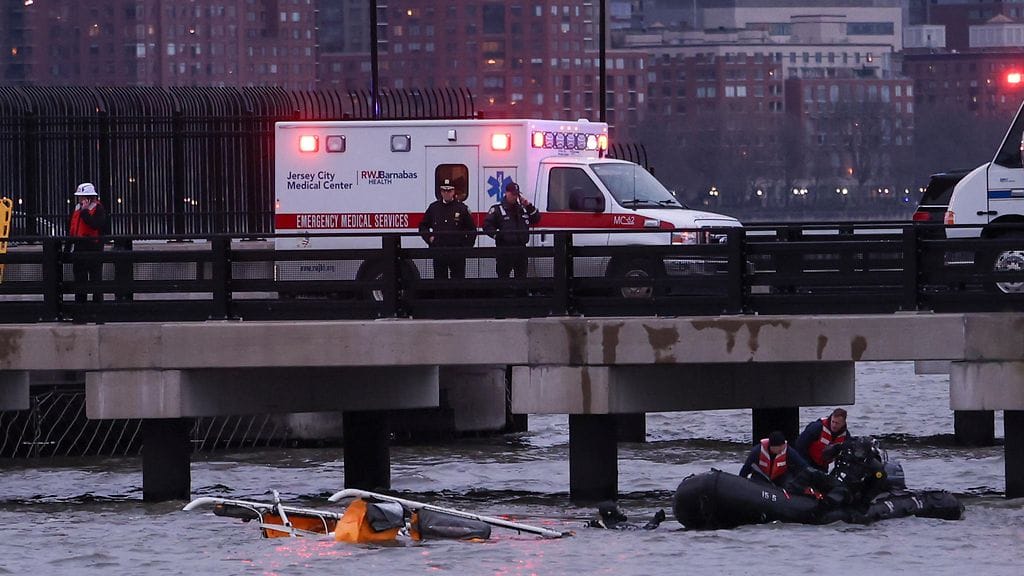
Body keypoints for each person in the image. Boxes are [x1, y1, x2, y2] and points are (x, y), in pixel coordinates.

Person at [419, 178, 476, 280]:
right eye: (444, 191)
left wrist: (466, 247)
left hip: (457, 253)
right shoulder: (434, 208)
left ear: (453, 191)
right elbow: (423, 226)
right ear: (441, 192)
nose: (446, 193)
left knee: (458, 282)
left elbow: (472, 230)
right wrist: (429, 238)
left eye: (449, 191)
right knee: (440, 283)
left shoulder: (462, 208)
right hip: (439, 252)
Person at [482, 181, 540, 279]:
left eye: (516, 194)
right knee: (503, 279)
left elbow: (536, 218)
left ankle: (520, 294)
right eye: (513, 194)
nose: (515, 197)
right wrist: (497, 235)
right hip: (505, 250)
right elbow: (487, 225)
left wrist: (528, 205)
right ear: (506, 193)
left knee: (521, 278)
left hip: (521, 249)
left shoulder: (523, 209)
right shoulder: (498, 209)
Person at [66, 182, 107, 303]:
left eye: (82, 197)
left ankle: (97, 311)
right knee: (79, 281)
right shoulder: (77, 209)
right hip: (79, 248)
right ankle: (81, 311)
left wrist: (85, 212)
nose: (80, 199)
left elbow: (96, 225)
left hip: (94, 249)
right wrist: (67, 249)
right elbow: (72, 230)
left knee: (96, 281)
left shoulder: (98, 209)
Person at [738, 430, 811, 488]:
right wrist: (740, 483)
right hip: (762, 477)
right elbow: (746, 469)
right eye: (780, 447)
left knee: (789, 483)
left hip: (781, 477)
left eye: (783, 446)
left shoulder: (788, 451)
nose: (782, 449)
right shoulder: (757, 451)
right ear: (772, 446)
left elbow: (802, 465)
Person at [795, 407, 850, 472]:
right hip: (807, 461)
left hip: (823, 466)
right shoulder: (817, 428)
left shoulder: (846, 436)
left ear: (843, 423)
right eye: (833, 422)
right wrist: (806, 466)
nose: (834, 425)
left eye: (837, 423)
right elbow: (799, 445)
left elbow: (846, 455)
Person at [587, 501, 665, 531]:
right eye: (618, 511)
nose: (622, 513)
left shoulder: (595, 525)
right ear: (612, 513)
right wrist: (656, 520)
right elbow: (644, 530)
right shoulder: (620, 526)